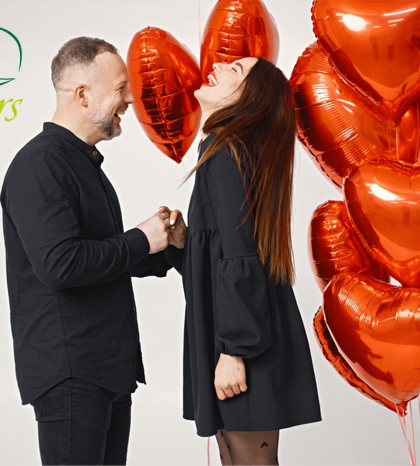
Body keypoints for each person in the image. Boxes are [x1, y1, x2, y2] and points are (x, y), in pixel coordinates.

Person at [0, 37, 178, 465]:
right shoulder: (40, 164)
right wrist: (141, 238)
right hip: (71, 373)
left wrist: (167, 247)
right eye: (120, 88)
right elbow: (60, 265)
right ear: (82, 94)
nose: (130, 99)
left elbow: (99, 257)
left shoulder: (81, 163)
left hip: (104, 369)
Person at [160, 57, 322, 465]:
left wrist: (234, 352)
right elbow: (225, 255)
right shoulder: (227, 150)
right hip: (239, 332)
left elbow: (240, 257)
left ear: (252, 98)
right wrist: (185, 244)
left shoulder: (226, 151)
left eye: (235, 70)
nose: (218, 65)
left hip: (242, 341)